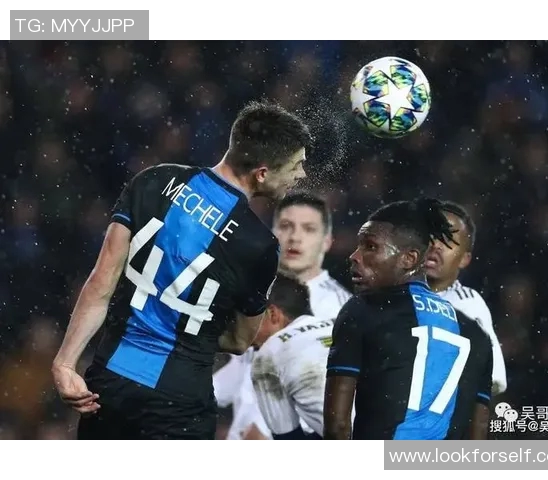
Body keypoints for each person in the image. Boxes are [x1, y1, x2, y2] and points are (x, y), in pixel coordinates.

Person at [51, 99, 312, 440]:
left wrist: (65, 363)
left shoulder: (153, 180)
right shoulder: (259, 245)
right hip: (179, 403)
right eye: (296, 165)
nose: (302, 175)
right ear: (261, 173)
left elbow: (102, 282)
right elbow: (239, 340)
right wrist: (190, 331)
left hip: (109, 384)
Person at [324, 198, 493, 440]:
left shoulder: (363, 310)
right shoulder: (476, 335)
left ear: (410, 259)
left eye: (370, 246)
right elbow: (478, 439)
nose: (355, 256)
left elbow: (337, 426)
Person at [213, 191, 351, 439]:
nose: (295, 237)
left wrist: (262, 432)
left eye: (308, 229)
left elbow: (326, 396)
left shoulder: (341, 310)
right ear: (272, 234)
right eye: (286, 226)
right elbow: (240, 372)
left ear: (326, 242)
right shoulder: (259, 292)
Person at [424, 201, 507, 395]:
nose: (436, 245)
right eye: (431, 236)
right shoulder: (388, 292)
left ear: (464, 259)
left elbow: (494, 380)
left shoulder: (467, 306)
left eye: (448, 240)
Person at [251, 273, 332, 439]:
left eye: (249, 316)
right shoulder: (340, 325)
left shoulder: (268, 354)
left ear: (272, 313)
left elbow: (288, 439)